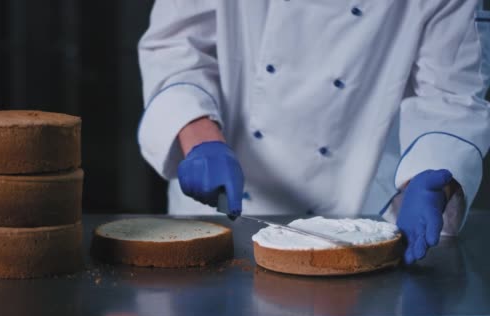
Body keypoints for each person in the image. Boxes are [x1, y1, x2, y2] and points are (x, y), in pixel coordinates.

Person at [137, 1, 490, 264]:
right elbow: (175, 47)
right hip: (222, 214)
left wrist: (430, 176)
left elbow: (451, 95)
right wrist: (200, 139)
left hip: (362, 214)